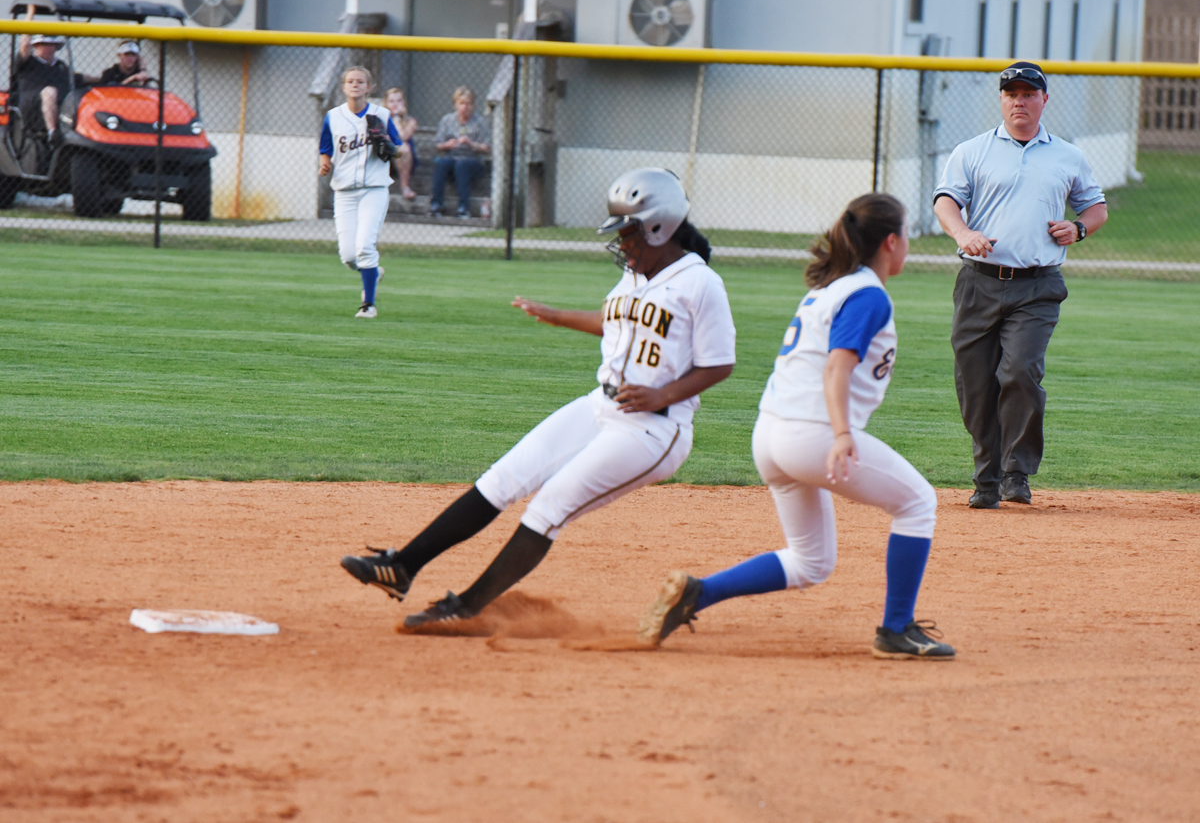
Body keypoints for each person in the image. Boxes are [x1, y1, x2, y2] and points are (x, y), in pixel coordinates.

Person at [341, 168, 737, 627]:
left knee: (550, 506)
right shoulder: (636, 275)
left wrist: (661, 394)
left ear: (659, 227)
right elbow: (616, 321)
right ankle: (402, 567)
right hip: (599, 406)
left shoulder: (700, 284)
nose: (622, 243)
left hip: (655, 429)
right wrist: (557, 315)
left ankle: (467, 609)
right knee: (504, 478)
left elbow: (719, 363)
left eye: (628, 233)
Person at [640, 193, 956, 660]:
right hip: (811, 435)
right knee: (917, 503)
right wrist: (844, 434)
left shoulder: (828, 289)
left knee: (811, 561)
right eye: (906, 234)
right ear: (891, 242)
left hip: (771, 435)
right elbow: (836, 369)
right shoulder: (866, 294)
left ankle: (697, 593)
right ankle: (896, 630)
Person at [933, 61, 1107, 509]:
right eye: (1012, 93)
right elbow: (947, 201)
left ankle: (1016, 473)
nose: (1019, 101)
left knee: (1019, 372)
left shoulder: (1067, 155)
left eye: (1029, 93)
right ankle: (986, 479)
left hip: (1037, 286)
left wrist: (1079, 229)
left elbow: (1095, 209)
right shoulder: (971, 151)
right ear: (1002, 99)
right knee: (975, 384)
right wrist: (962, 234)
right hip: (979, 283)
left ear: (1043, 100)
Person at [318, 65, 401, 319]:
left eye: (360, 82)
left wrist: (387, 145)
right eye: (350, 81)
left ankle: (368, 305)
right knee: (349, 256)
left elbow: (399, 148)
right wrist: (325, 162)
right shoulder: (333, 116)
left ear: (369, 88)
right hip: (344, 191)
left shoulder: (382, 115)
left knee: (365, 246)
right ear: (344, 87)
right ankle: (373, 273)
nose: (355, 85)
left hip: (374, 189)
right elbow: (326, 147)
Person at [14, 5, 72, 144]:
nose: (48, 47)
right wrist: (30, 14)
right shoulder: (28, 62)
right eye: (43, 44)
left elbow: (82, 78)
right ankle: (52, 132)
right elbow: (24, 44)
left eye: (51, 44)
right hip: (33, 107)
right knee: (50, 92)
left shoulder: (61, 66)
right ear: (36, 46)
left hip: (61, 106)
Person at [429, 87, 490, 218]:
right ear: (456, 104)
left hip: (472, 161)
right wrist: (448, 144)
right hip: (451, 157)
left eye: (468, 104)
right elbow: (437, 144)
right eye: (462, 103)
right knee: (442, 163)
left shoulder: (480, 122)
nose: (465, 107)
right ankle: (436, 205)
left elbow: (487, 147)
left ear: (473, 105)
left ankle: (464, 207)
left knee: (461, 165)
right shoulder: (447, 120)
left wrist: (471, 143)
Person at [384, 88, 419, 200]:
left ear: (404, 103)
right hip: (383, 160)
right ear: (386, 103)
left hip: (404, 162)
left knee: (402, 148)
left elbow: (401, 138)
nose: (395, 104)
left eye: (399, 101)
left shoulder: (411, 121)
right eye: (392, 101)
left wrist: (397, 119)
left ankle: (405, 186)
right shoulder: (379, 119)